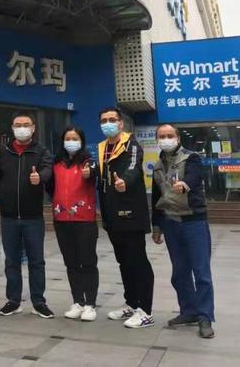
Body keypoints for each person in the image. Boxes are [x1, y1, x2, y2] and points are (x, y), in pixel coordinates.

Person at [151, 124, 215, 339]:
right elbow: (155, 198)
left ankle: (205, 317)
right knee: (179, 273)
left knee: (201, 273)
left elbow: (195, 177)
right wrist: (156, 226)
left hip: (193, 222)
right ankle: (189, 311)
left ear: (177, 137)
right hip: (170, 223)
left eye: (170, 135)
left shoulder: (191, 157)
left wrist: (185, 184)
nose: (166, 139)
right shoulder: (157, 166)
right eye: (162, 136)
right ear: (157, 140)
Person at [0, 112, 54, 319]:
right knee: (12, 261)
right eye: (18, 125)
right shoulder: (4, 152)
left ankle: (39, 302)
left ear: (33, 128)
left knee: (37, 261)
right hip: (9, 217)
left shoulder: (41, 151)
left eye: (26, 124)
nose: (22, 128)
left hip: (32, 216)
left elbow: (48, 170)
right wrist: (6, 194)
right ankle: (13, 301)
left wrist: (39, 178)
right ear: (12, 128)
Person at [97, 106, 155, 328]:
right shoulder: (103, 148)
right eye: (104, 120)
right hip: (112, 215)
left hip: (131, 213)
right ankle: (132, 303)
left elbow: (133, 167)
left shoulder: (131, 144)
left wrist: (125, 181)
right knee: (124, 262)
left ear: (121, 123)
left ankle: (145, 311)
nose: (108, 123)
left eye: (112, 119)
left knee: (137, 261)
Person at [50, 126, 99, 322]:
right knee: (71, 263)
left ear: (82, 141)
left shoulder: (89, 162)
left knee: (88, 262)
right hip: (61, 220)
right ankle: (78, 301)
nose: (71, 142)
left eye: (75, 138)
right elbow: (50, 187)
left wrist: (90, 173)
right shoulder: (56, 163)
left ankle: (90, 304)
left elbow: (95, 173)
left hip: (84, 220)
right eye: (67, 138)